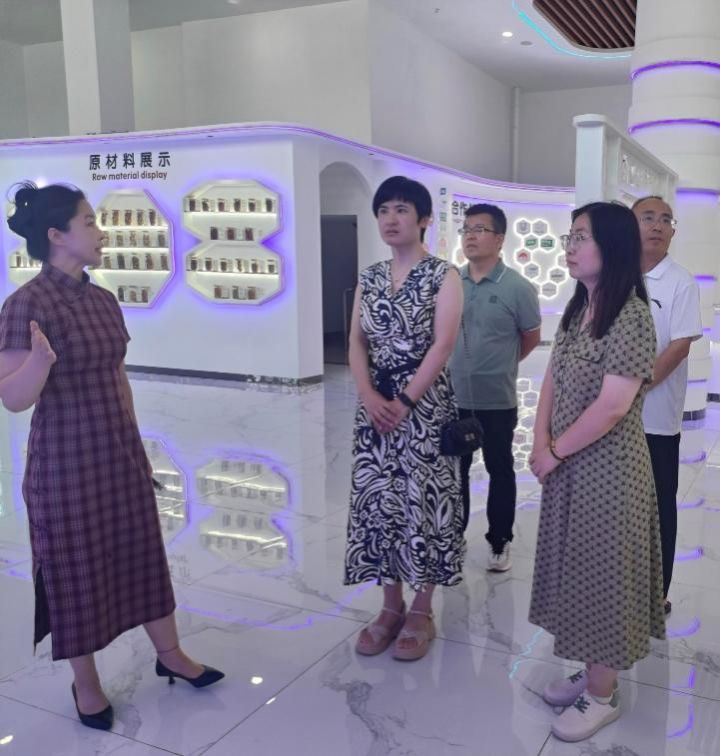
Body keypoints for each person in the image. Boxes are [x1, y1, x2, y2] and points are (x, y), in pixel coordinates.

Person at [0, 183, 224, 732]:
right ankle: (86, 682)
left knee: (142, 553)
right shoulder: (25, 304)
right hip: (64, 463)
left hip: (116, 451)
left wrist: (137, 447)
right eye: (89, 222)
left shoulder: (103, 300)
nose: (101, 232)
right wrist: (40, 362)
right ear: (56, 235)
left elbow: (118, 378)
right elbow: (13, 398)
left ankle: (171, 655)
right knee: (75, 570)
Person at [528, 201, 665, 742]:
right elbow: (552, 380)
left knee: (604, 577)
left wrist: (555, 452)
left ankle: (602, 695)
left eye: (581, 236)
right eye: (570, 235)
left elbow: (612, 406)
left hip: (609, 475)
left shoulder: (631, 316)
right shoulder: (578, 308)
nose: (570, 245)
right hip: (569, 466)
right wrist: (539, 440)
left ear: (613, 246)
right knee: (578, 570)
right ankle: (592, 671)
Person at [343, 176, 464, 662]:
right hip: (374, 410)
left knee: (424, 502)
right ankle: (389, 604)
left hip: (425, 409)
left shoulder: (443, 275)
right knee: (380, 503)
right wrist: (369, 395)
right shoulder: (370, 276)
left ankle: (421, 608)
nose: (390, 219)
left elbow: (443, 344)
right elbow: (356, 341)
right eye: (383, 211)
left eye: (401, 210)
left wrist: (406, 401)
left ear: (423, 218)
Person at [449, 203, 540, 571]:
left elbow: (530, 337)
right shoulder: (451, 282)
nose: (470, 236)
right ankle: (452, 536)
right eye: (466, 229)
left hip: (498, 400)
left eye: (479, 229)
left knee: (500, 470)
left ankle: (499, 541)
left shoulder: (518, 288)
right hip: (454, 397)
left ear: (499, 239)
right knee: (454, 471)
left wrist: (501, 364)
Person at [632, 196, 702, 616]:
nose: (657, 226)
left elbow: (679, 346)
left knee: (658, 507)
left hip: (656, 420)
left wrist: (635, 390)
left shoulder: (680, 282)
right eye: (647, 218)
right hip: (611, 418)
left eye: (665, 220)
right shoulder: (616, 275)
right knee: (619, 505)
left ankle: (657, 591)